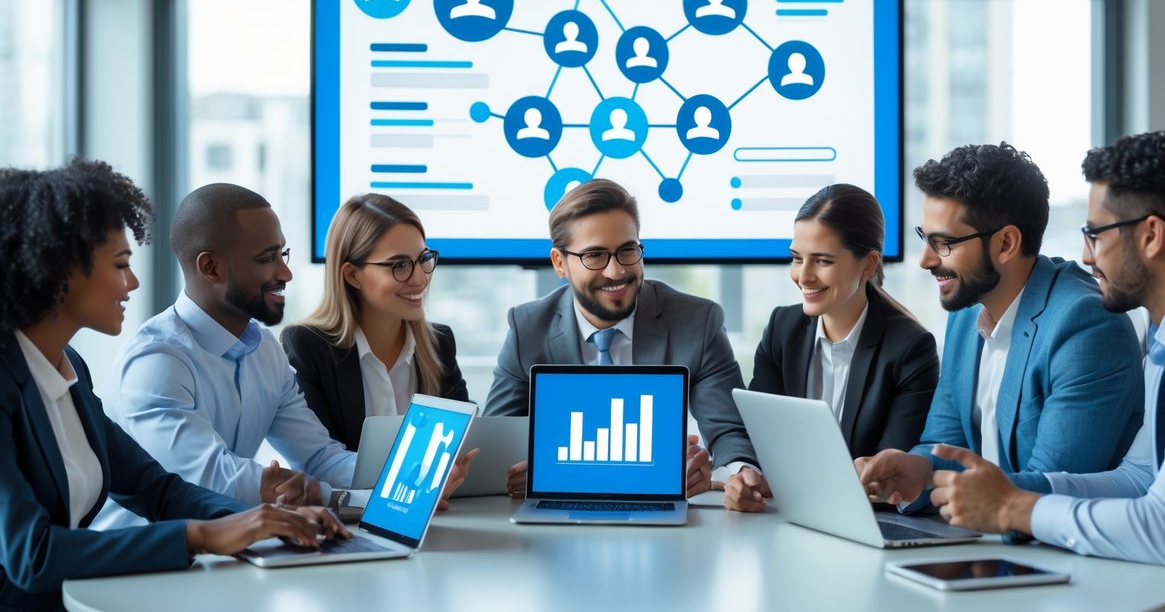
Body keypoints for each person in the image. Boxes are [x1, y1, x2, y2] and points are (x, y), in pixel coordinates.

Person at [0, 159, 345, 612]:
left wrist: (262, 522)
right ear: (57, 270)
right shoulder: (7, 385)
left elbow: (155, 490)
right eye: (119, 265)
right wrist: (202, 536)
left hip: (71, 609)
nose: (133, 282)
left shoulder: (70, 372)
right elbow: (33, 556)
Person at [926, 131, 1165, 612]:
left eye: (1095, 233)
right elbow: (1140, 476)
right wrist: (1009, 493)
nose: (1084, 254)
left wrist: (1016, 509)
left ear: (1152, 235)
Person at [858, 142, 1143, 512]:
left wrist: (938, 481)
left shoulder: (1086, 325)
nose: (925, 260)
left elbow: (1054, 487)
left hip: (1056, 542)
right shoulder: (966, 312)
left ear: (1006, 243)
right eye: (924, 238)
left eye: (943, 243)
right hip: (982, 534)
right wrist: (917, 470)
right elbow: (942, 444)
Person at [483, 178, 760, 498]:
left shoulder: (697, 321)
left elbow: (729, 432)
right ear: (560, 263)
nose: (616, 272)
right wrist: (542, 473)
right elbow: (493, 447)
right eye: (595, 255)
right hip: (557, 512)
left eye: (627, 250)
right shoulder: (528, 328)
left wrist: (739, 475)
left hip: (663, 512)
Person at [101, 184, 357, 519]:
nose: (285, 273)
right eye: (267, 258)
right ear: (211, 268)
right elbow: (212, 479)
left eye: (282, 254)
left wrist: (406, 481)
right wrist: (321, 494)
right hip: (152, 548)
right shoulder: (157, 361)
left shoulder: (266, 350)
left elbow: (320, 456)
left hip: (232, 539)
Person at [731, 184, 939, 512]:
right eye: (797, 258)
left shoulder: (910, 349)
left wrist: (787, 479)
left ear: (868, 265)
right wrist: (747, 477)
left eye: (822, 261)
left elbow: (886, 476)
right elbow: (758, 438)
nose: (803, 276)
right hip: (786, 517)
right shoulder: (782, 329)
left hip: (866, 522)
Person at [281, 193, 471, 451]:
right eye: (399, 265)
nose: (420, 279)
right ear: (352, 275)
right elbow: (319, 459)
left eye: (423, 259)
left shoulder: (439, 343)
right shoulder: (308, 347)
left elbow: (461, 444)